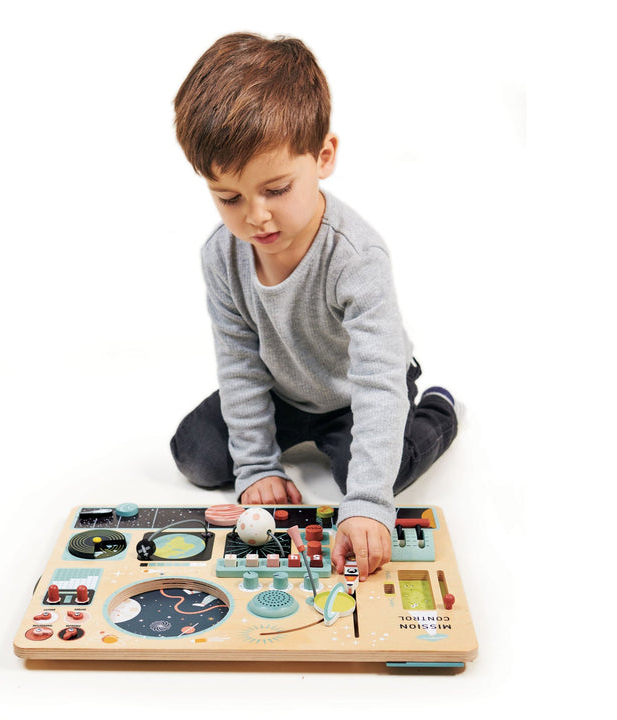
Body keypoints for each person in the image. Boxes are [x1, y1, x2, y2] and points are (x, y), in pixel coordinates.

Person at [170, 32, 458, 581]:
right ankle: (285, 441)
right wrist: (255, 466)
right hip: (287, 388)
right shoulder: (221, 256)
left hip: (358, 392)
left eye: (276, 189)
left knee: (370, 477)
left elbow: (376, 378)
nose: (255, 217)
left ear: (323, 156)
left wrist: (370, 503)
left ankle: (438, 412)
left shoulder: (357, 256)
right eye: (229, 197)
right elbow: (239, 363)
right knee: (198, 455)